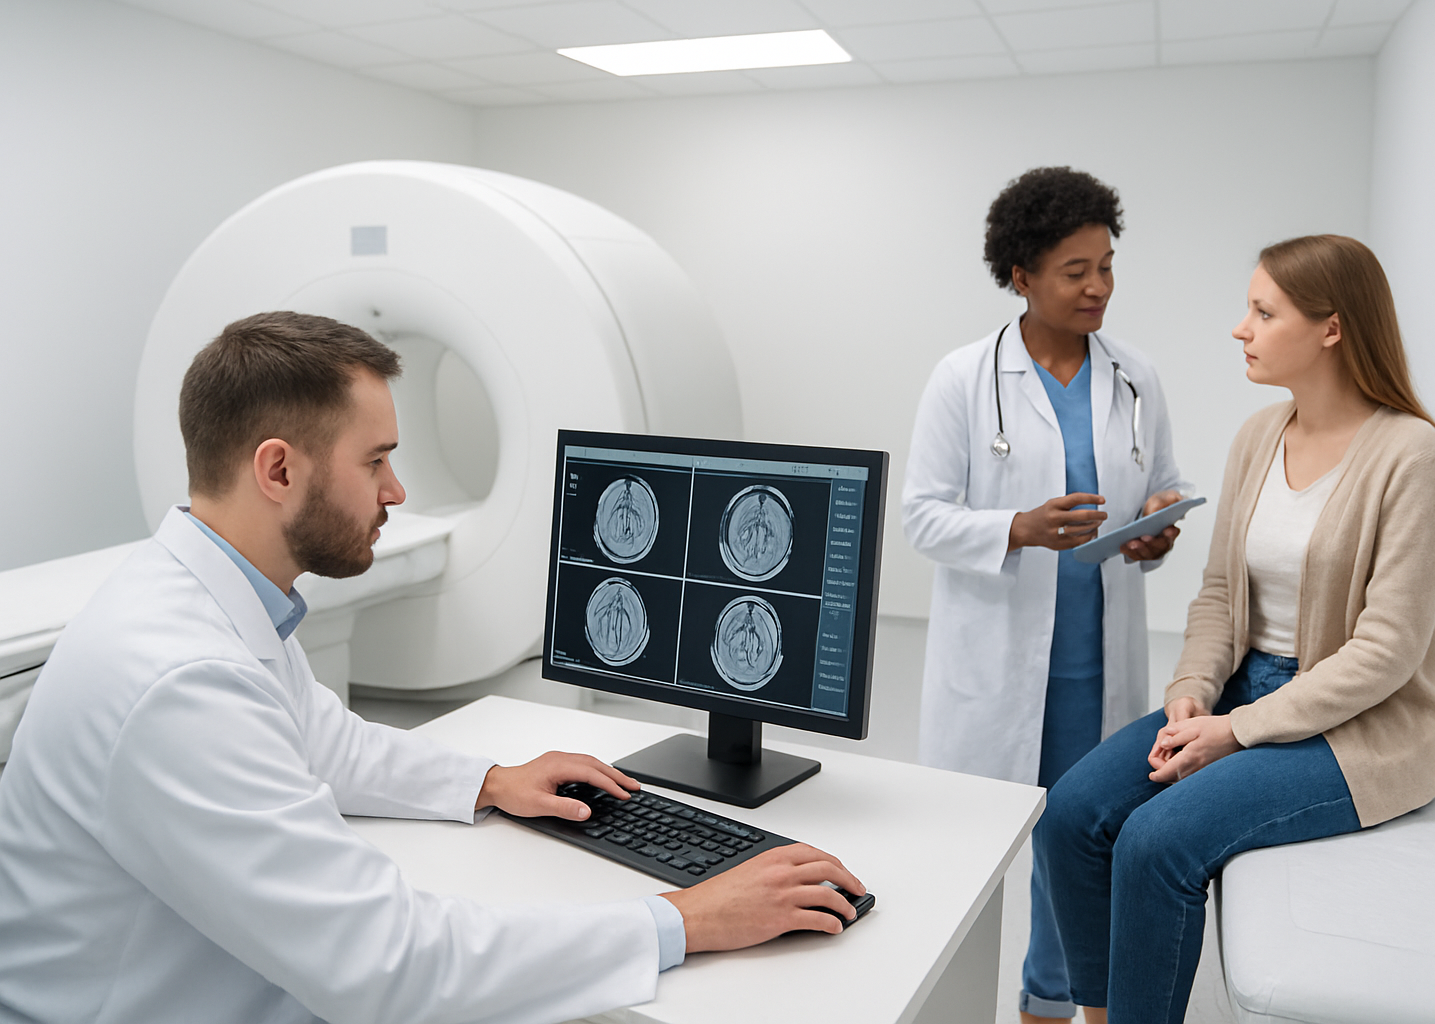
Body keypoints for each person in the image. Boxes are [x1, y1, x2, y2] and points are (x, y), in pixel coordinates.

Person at [0, 312, 865, 1024]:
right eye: (375, 460)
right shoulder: (179, 679)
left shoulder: (211, 596)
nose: (397, 490)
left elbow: (323, 744)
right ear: (277, 468)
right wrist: (681, 920)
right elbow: (392, 969)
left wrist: (489, 779)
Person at [1036, 234, 1435, 1024]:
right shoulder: (1259, 436)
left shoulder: (1413, 455)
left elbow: (1387, 653)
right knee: (1069, 813)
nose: (1241, 329)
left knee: (1157, 843)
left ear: (1332, 328)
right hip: (1240, 689)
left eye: (1263, 313)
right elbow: (1222, 592)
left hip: (1358, 724)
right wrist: (1193, 696)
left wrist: (1237, 731)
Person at [901, 166, 1190, 1022]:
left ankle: (1047, 1003)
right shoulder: (962, 377)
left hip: (1096, 664)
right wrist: (1017, 528)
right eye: (1076, 271)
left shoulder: (1136, 378)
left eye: (1107, 266)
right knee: (969, 856)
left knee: (1079, 846)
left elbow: (1165, 486)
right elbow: (920, 517)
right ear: (1021, 275)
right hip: (996, 669)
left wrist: (1160, 527)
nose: (1098, 287)